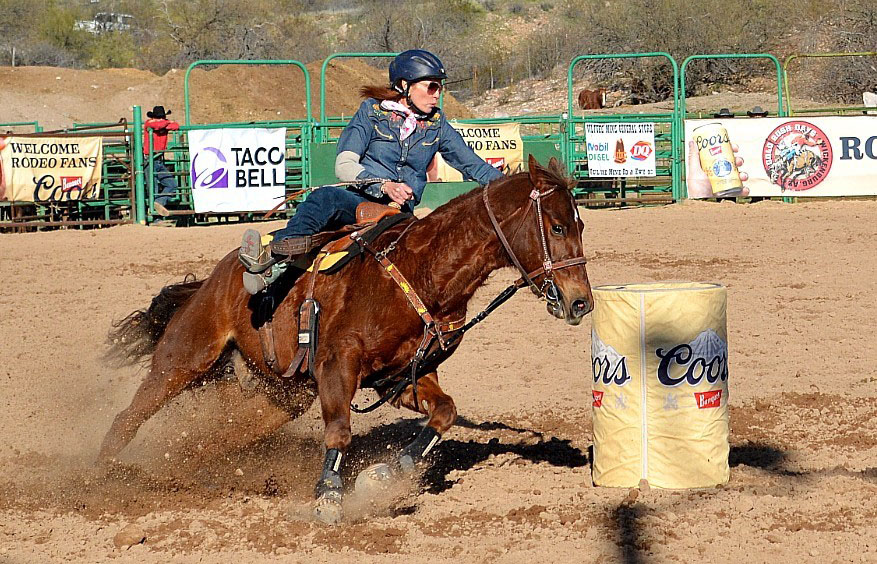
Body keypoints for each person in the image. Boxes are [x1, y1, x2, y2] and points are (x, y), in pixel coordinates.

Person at [238, 49, 505, 294]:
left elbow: (473, 165)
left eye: (440, 87)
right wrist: (384, 186)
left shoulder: (438, 125)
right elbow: (344, 166)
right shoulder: (371, 112)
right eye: (431, 86)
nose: (437, 94)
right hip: (360, 201)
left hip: (400, 216)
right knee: (325, 198)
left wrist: (513, 185)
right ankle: (278, 257)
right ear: (404, 86)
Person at [143, 105, 180, 217]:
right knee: (153, 188)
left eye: (162, 117)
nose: (160, 119)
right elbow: (159, 125)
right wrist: (167, 123)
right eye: (158, 117)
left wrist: (165, 123)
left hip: (158, 160)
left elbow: (176, 126)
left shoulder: (156, 123)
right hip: (150, 159)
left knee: (172, 184)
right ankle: (154, 216)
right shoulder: (149, 123)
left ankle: (158, 203)